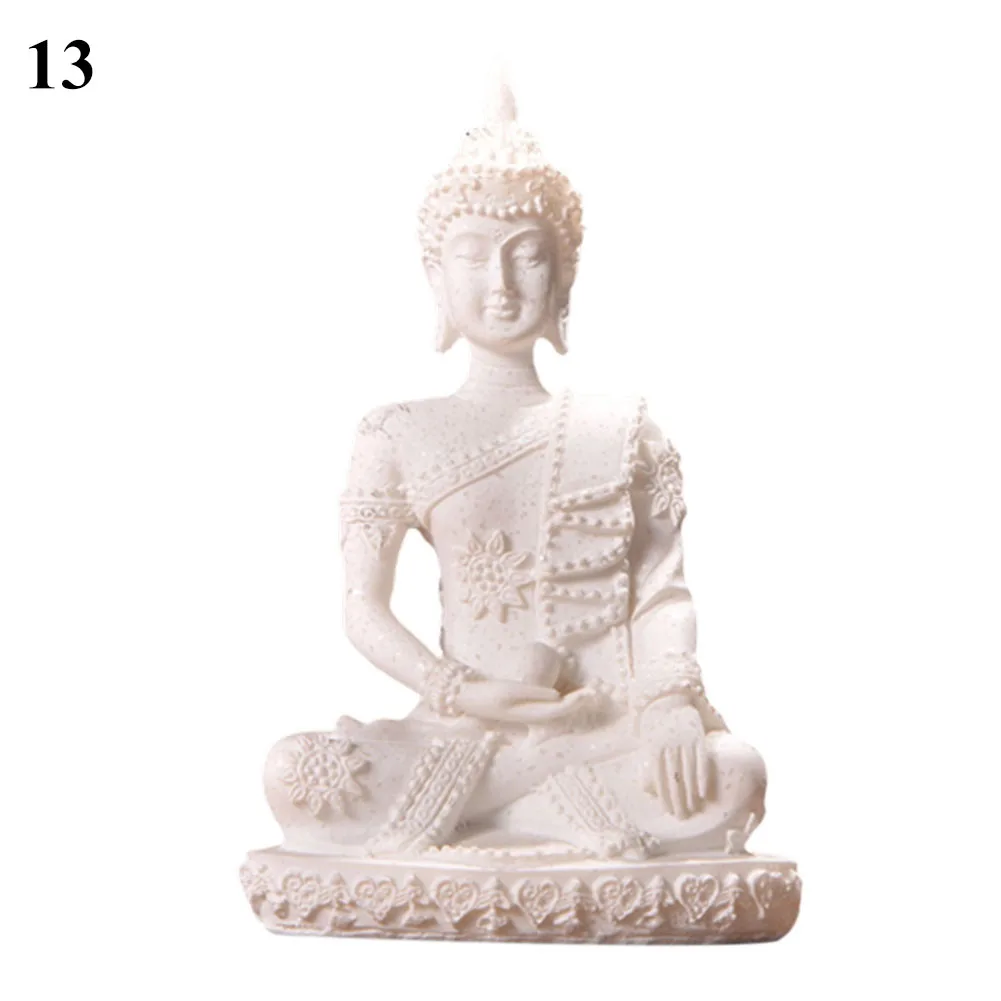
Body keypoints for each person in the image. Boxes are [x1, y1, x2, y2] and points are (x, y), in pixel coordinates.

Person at [263, 83, 766, 861]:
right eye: (471, 256)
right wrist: (458, 690)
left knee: (732, 772)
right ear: (434, 275)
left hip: (599, 719)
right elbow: (362, 608)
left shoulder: (621, 430)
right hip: (455, 721)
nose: (499, 284)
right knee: (296, 771)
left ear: (563, 276)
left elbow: (661, 593)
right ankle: (540, 797)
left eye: (526, 255)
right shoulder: (394, 432)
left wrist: (670, 703)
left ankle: (495, 799)